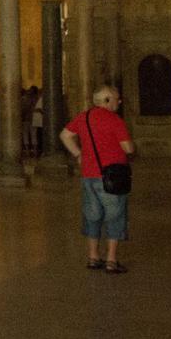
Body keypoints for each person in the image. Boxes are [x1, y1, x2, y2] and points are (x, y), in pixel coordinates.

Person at [58, 85, 134, 274]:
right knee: (115, 216)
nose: (119, 101)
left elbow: (65, 135)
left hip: (89, 174)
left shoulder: (83, 117)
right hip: (112, 175)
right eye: (116, 98)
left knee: (92, 215)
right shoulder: (114, 119)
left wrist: (78, 154)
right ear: (107, 100)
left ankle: (93, 256)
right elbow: (128, 149)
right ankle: (111, 260)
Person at [28, 85, 44, 158]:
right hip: (35, 120)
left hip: (40, 120)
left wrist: (38, 110)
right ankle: (37, 151)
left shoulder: (41, 98)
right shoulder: (36, 98)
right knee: (37, 135)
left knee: (39, 135)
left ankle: (39, 151)